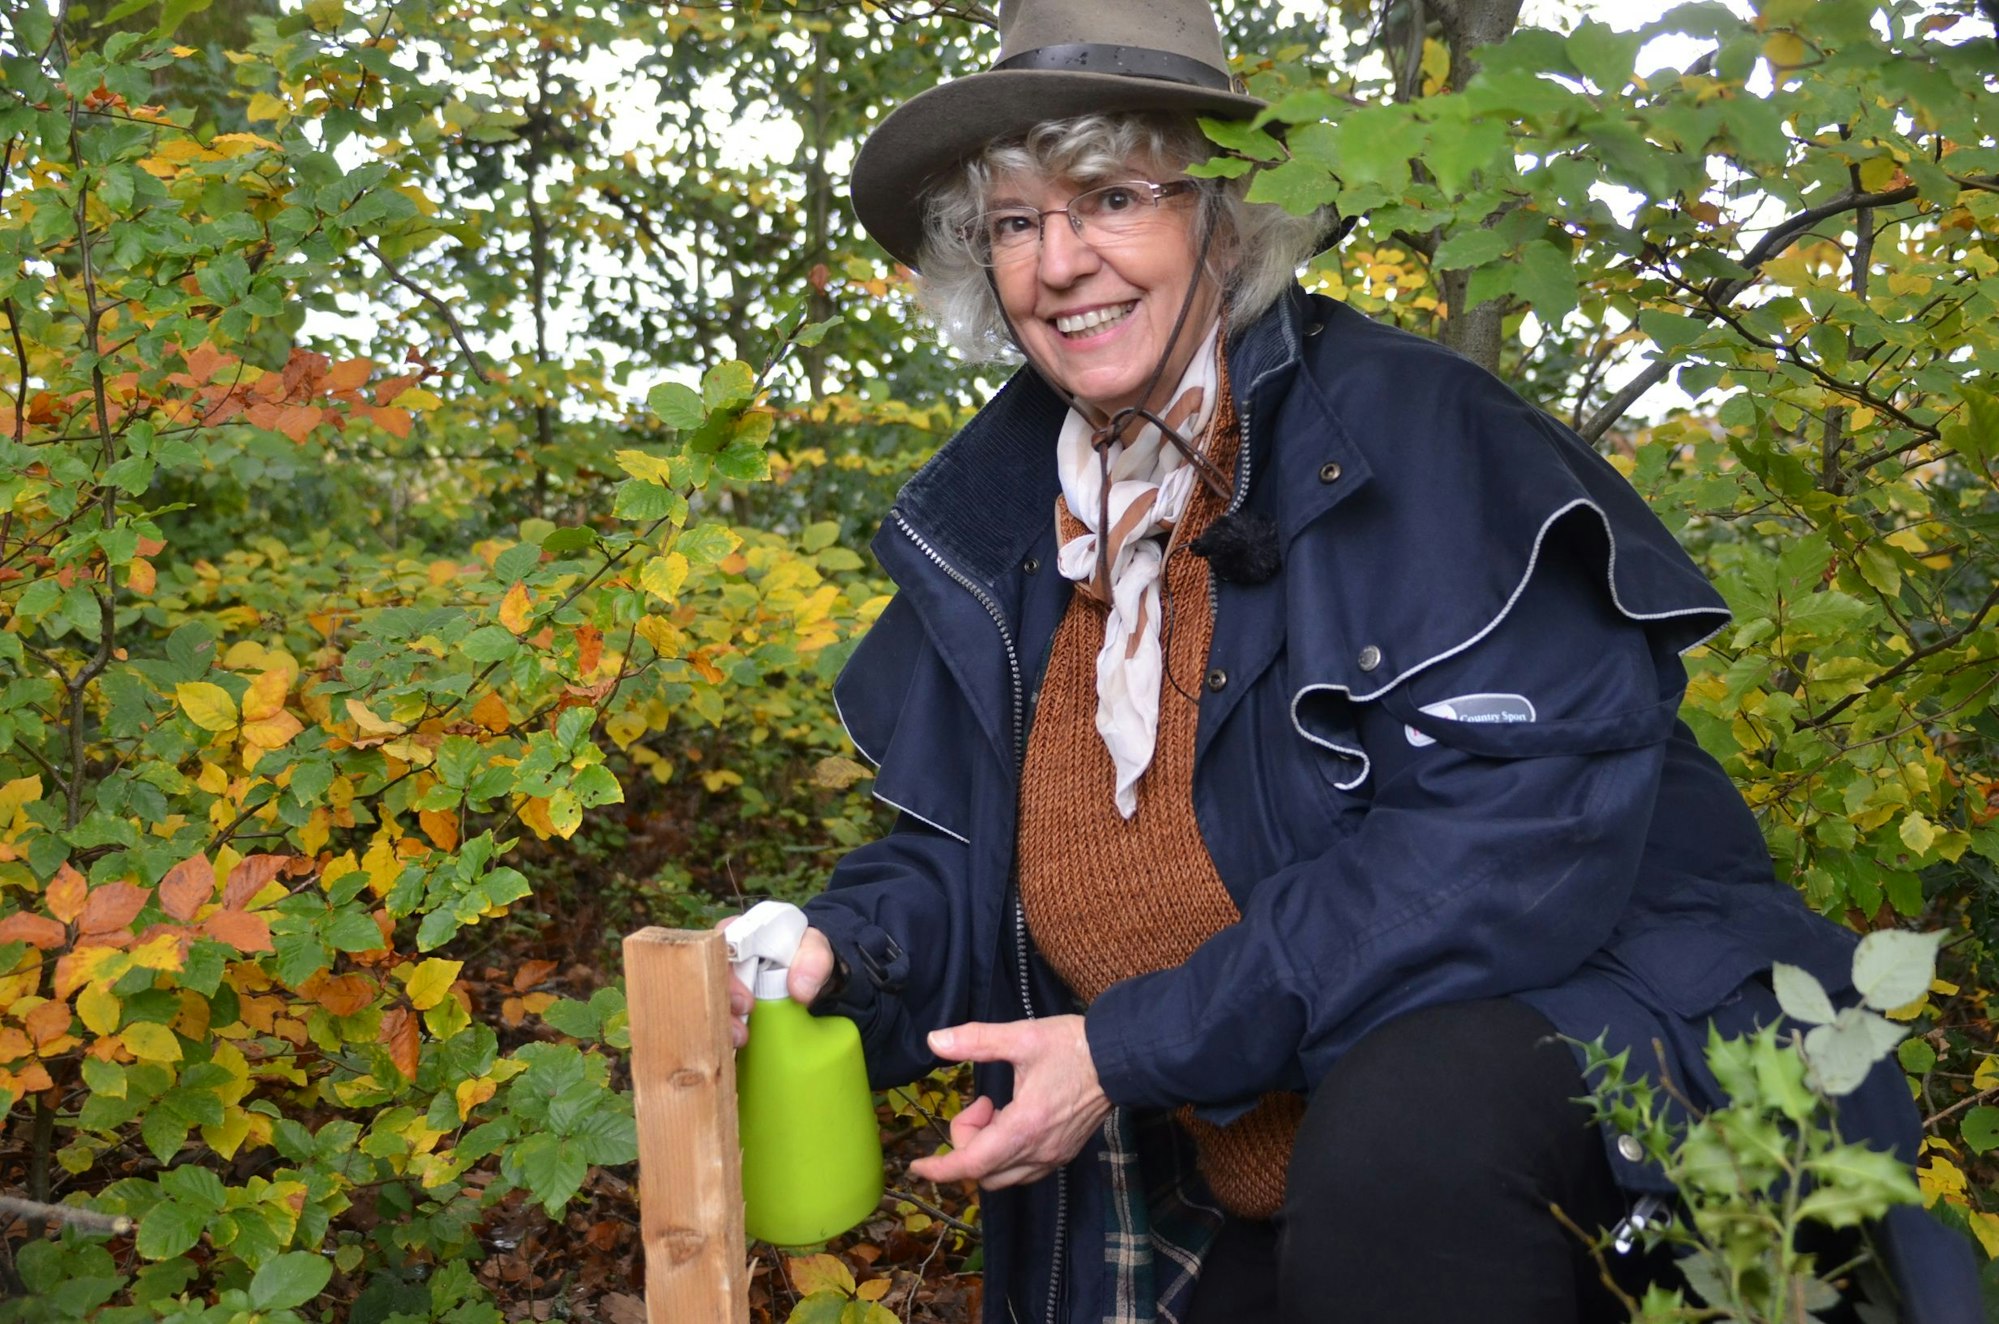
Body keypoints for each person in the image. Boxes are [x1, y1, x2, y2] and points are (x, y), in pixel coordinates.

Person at [725, 2, 1984, 1320]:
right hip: (1233, 1156)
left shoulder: (1417, 436)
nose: (1059, 263)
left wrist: (1130, 1043)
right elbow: (966, 866)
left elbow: (1506, 848)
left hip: (1589, 1104)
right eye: (1016, 224)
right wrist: (836, 956)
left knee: (1409, 1129)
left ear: (1223, 213)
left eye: (1109, 197)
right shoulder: (1003, 532)